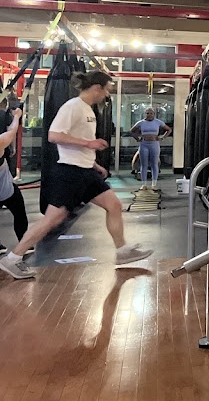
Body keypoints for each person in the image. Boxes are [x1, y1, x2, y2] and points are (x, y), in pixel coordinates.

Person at [0, 71, 152, 280]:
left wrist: (94, 164)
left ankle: (122, 251)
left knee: (114, 205)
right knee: (53, 218)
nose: (107, 94)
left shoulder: (88, 109)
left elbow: (78, 141)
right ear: (97, 88)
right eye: (106, 89)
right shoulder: (73, 106)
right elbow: (54, 135)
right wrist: (89, 144)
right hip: (71, 172)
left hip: (85, 170)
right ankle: (12, 259)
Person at [0, 106, 28, 256]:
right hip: (5, 189)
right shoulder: (0, 141)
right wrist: (17, 116)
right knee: (19, 211)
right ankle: (25, 243)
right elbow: (12, 131)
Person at [129, 107, 171, 190]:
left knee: (154, 164)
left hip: (154, 144)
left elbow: (169, 130)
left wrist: (162, 137)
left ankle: (154, 184)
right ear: (145, 114)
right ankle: (144, 184)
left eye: (151, 113)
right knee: (144, 164)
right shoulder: (141, 122)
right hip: (144, 144)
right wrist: (137, 138)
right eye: (147, 113)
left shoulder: (158, 122)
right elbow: (131, 131)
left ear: (154, 114)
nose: (149, 115)